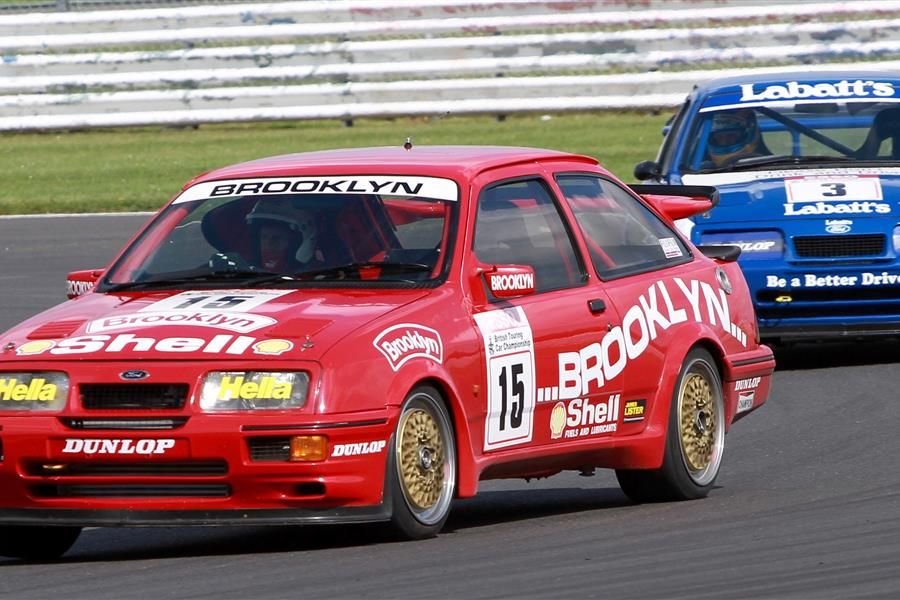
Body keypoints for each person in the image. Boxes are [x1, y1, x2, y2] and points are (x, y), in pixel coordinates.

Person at [245, 199, 323, 272]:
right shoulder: (243, 270)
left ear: (296, 242)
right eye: (264, 237)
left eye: (276, 238)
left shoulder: (320, 275)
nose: (269, 244)